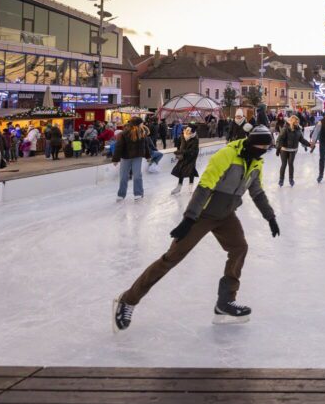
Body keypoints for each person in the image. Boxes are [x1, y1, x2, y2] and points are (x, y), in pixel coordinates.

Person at [113, 125, 279, 331]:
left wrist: (270, 216)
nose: (264, 150)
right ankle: (128, 299)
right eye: (261, 146)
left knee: (239, 249)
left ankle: (225, 302)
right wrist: (189, 219)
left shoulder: (256, 162)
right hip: (203, 214)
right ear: (252, 143)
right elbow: (205, 185)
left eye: (266, 146)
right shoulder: (227, 154)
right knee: (172, 258)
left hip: (226, 215)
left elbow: (257, 191)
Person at [112, 117, 151, 200]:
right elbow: (119, 146)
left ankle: (138, 193)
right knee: (123, 176)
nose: (142, 124)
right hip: (126, 157)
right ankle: (121, 194)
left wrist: (148, 156)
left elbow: (145, 146)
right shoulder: (124, 133)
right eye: (141, 123)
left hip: (137, 157)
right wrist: (116, 159)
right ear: (137, 124)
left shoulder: (142, 133)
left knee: (137, 175)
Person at [276, 115, 310, 186]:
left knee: (291, 164)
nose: (297, 124)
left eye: (298, 122)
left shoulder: (298, 130)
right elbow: (280, 139)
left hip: (293, 150)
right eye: (295, 122)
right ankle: (281, 180)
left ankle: (291, 179)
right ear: (292, 122)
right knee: (284, 164)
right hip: (284, 149)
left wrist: (309, 144)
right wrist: (278, 149)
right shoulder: (285, 129)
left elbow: (301, 139)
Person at [170, 125, 200, 194]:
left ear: (192, 132)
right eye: (186, 131)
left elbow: (192, 150)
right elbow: (182, 145)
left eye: (189, 132)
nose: (187, 133)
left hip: (192, 154)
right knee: (181, 168)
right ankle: (179, 187)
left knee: (191, 169)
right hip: (184, 153)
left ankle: (190, 186)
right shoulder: (183, 135)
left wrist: (181, 151)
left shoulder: (195, 138)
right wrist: (179, 151)